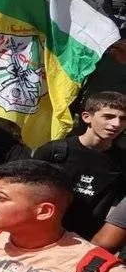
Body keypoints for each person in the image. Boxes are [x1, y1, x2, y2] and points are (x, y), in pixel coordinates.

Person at [33, 91, 126, 240]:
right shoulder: (54, 151)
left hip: (84, 243)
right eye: (108, 116)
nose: (116, 124)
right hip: (39, 234)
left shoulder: (122, 162)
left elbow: (117, 209)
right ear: (87, 117)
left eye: (123, 119)